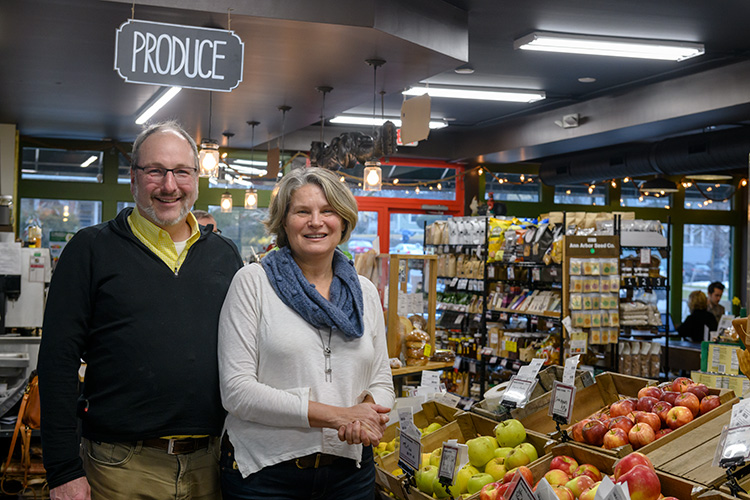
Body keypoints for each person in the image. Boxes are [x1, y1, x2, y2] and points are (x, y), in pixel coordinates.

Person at [38, 121, 244, 500]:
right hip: (120, 469)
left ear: (196, 178)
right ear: (133, 178)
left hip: (210, 466)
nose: (169, 185)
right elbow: (57, 362)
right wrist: (63, 469)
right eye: (155, 171)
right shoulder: (90, 250)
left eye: (181, 171)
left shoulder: (225, 255)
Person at [218, 167, 395, 500]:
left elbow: (382, 380)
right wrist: (339, 415)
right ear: (285, 222)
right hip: (265, 475)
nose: (316, 222)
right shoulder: (253, 283)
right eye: (303, 211)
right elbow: (237, 391)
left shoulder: (365, 292)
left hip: (349, 475)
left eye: (327, 211)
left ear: (343, 221)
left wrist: (367, 413)